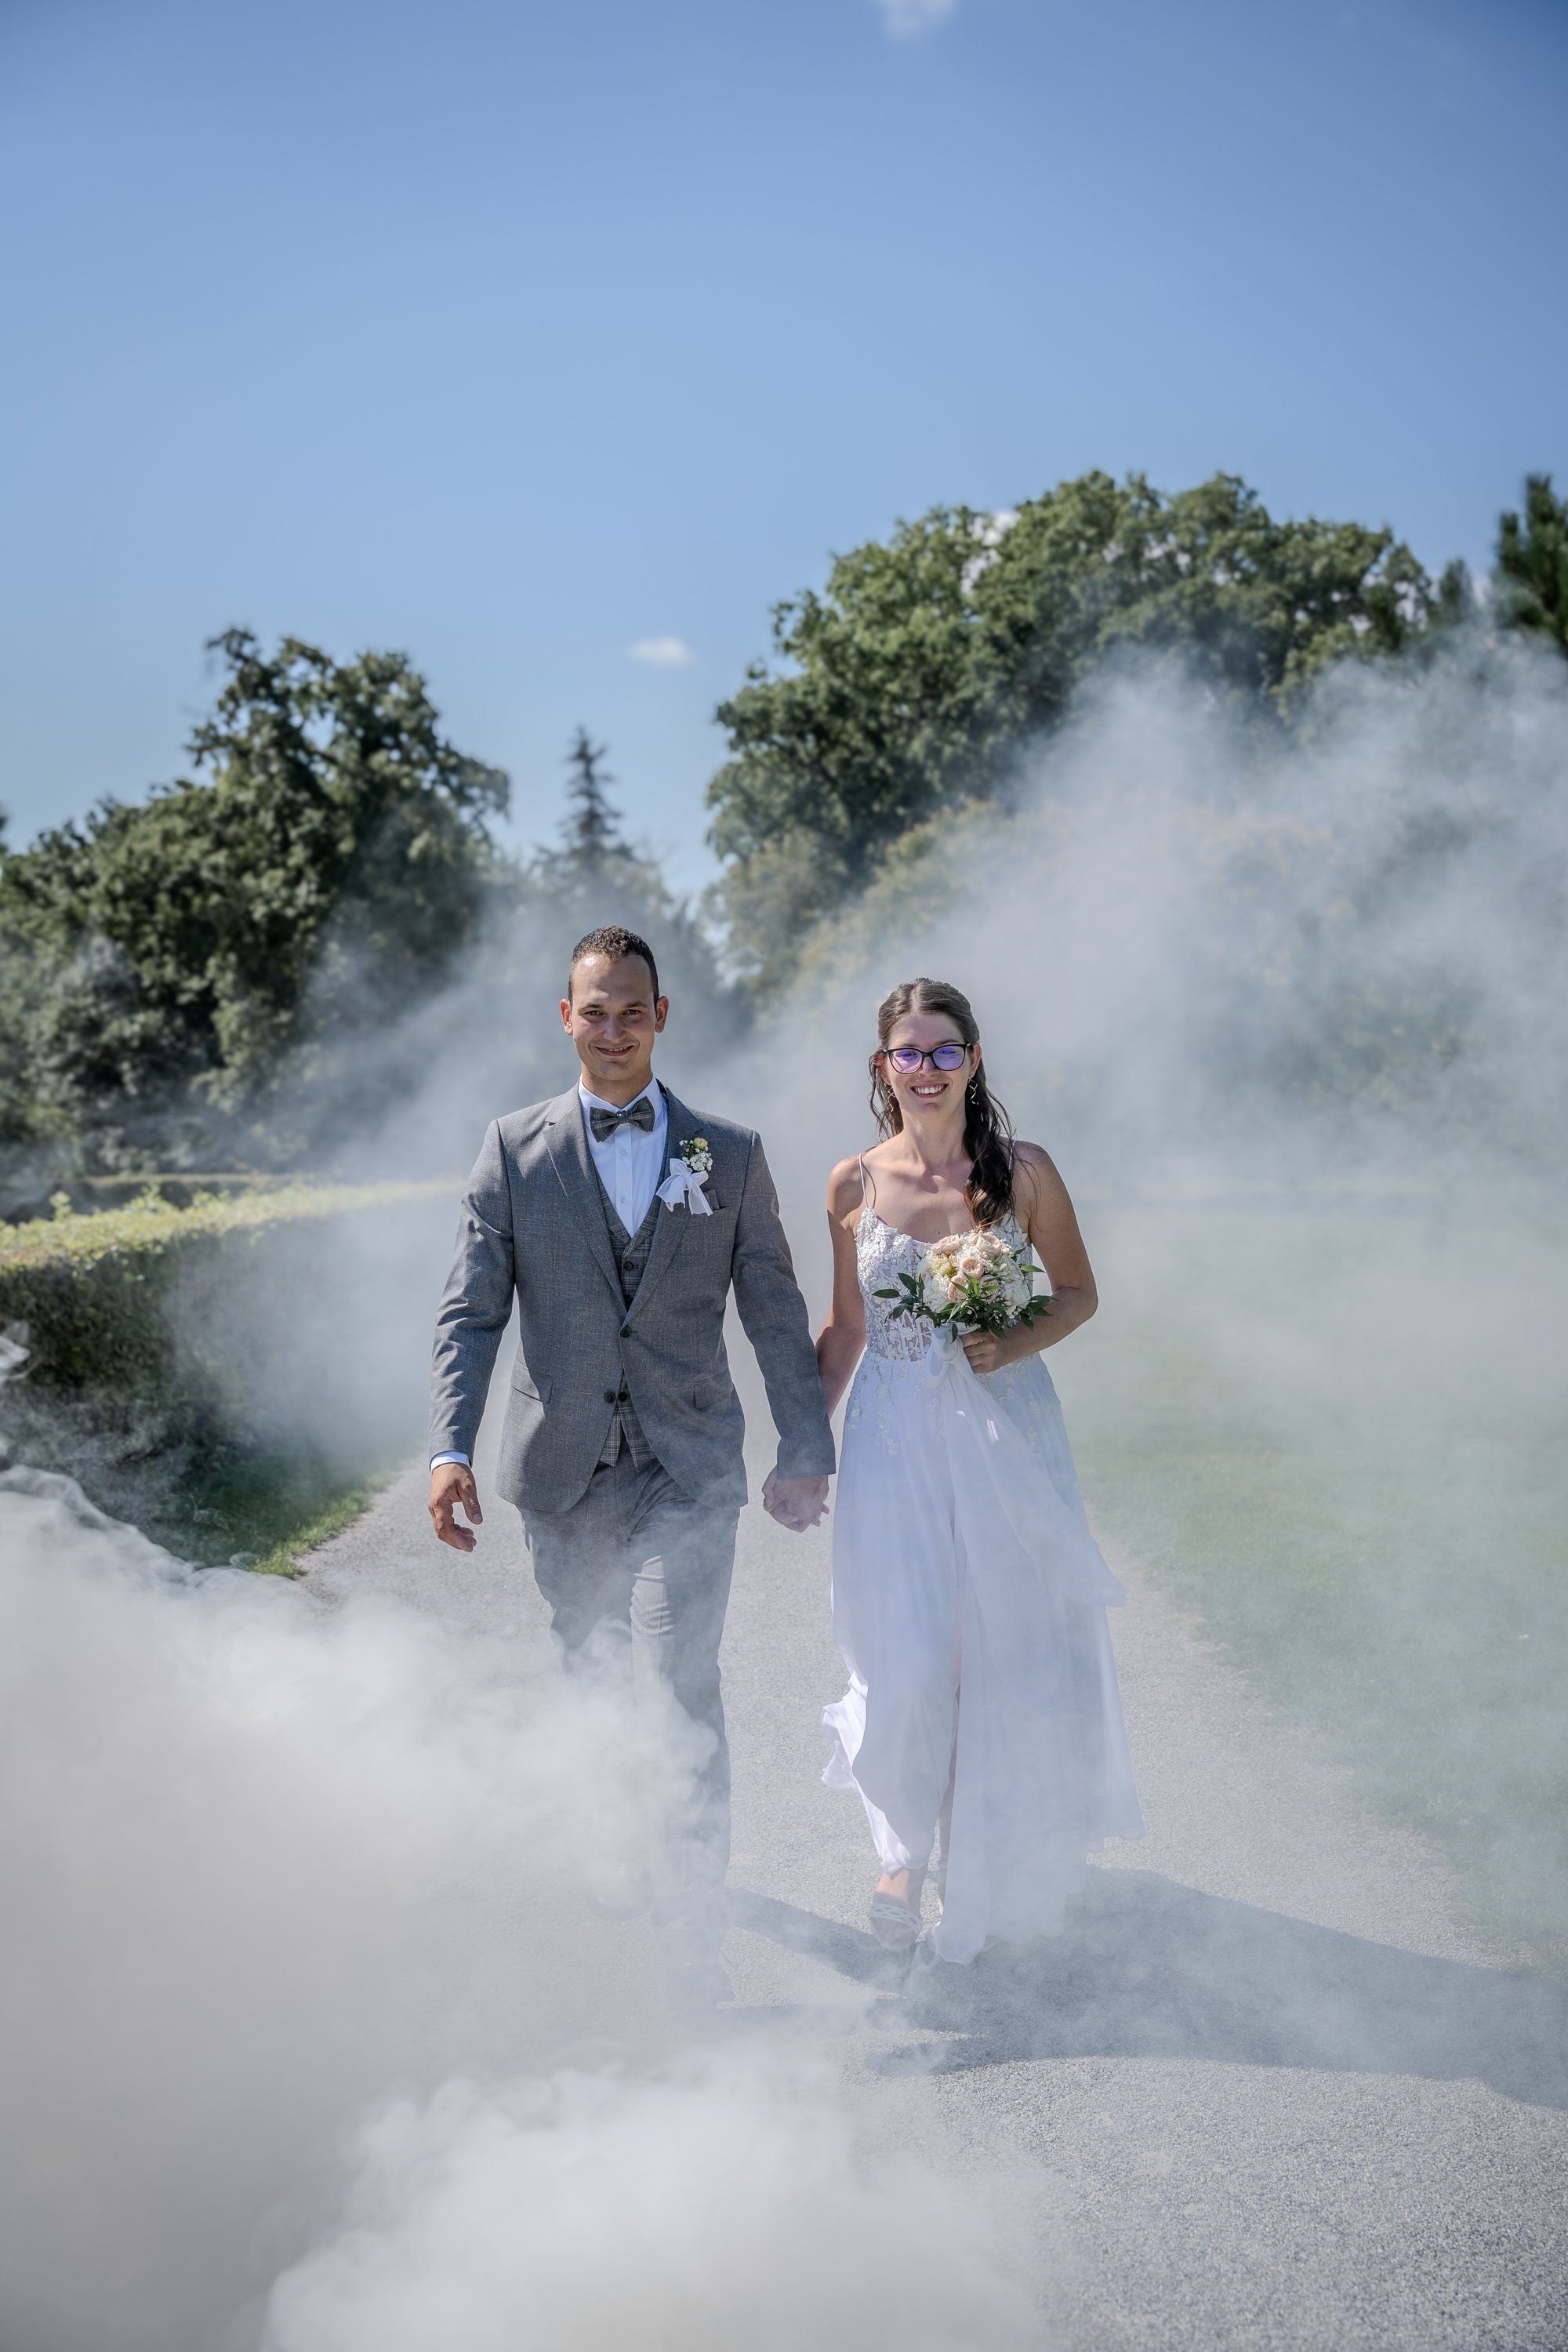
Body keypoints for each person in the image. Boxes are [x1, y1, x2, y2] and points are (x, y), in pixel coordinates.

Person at [427, 925, 833, 2012]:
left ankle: (693, 1941)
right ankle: (620, 1854)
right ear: (567, 1018)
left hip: (687, 1467)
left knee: (674, 1685)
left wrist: (805, 1445)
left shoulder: (728, 1155)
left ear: (662, 1018)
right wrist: (450, 1447)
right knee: (597, 1685)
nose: (612, 1030)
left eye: (632, 1010)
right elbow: (473, 1313)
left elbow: (778, 1312)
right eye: (593, 1011)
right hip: (562, 1473)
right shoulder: (514, 1149)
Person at [815, 977, 1143, 1964]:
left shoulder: (1024, 1172)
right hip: (891, 1449)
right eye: (906, 1052)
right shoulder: (850, 1185)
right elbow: (847, 1328)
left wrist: (1013, 1339)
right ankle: (900, 1853)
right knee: (905, 1661)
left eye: (943, 1049)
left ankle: (962, 1864)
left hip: (1001, 1435)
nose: (924, 1068)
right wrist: (797, 1448)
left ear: (973, 1060)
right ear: (882, 1066)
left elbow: (1078, 1294)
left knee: (994, 1655)